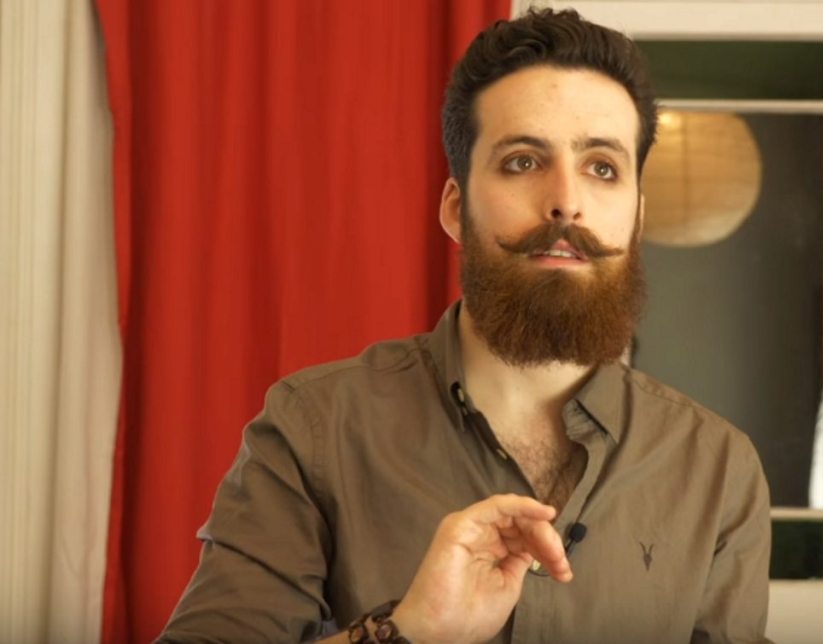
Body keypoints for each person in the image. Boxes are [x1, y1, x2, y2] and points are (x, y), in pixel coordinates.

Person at [161, 8, 771, 643]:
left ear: (637, 218)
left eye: (602, 167)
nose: (566, 201)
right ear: (456, 209)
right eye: (523, 162)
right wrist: (405, 631)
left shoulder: (718, 470)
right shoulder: (312, 429)